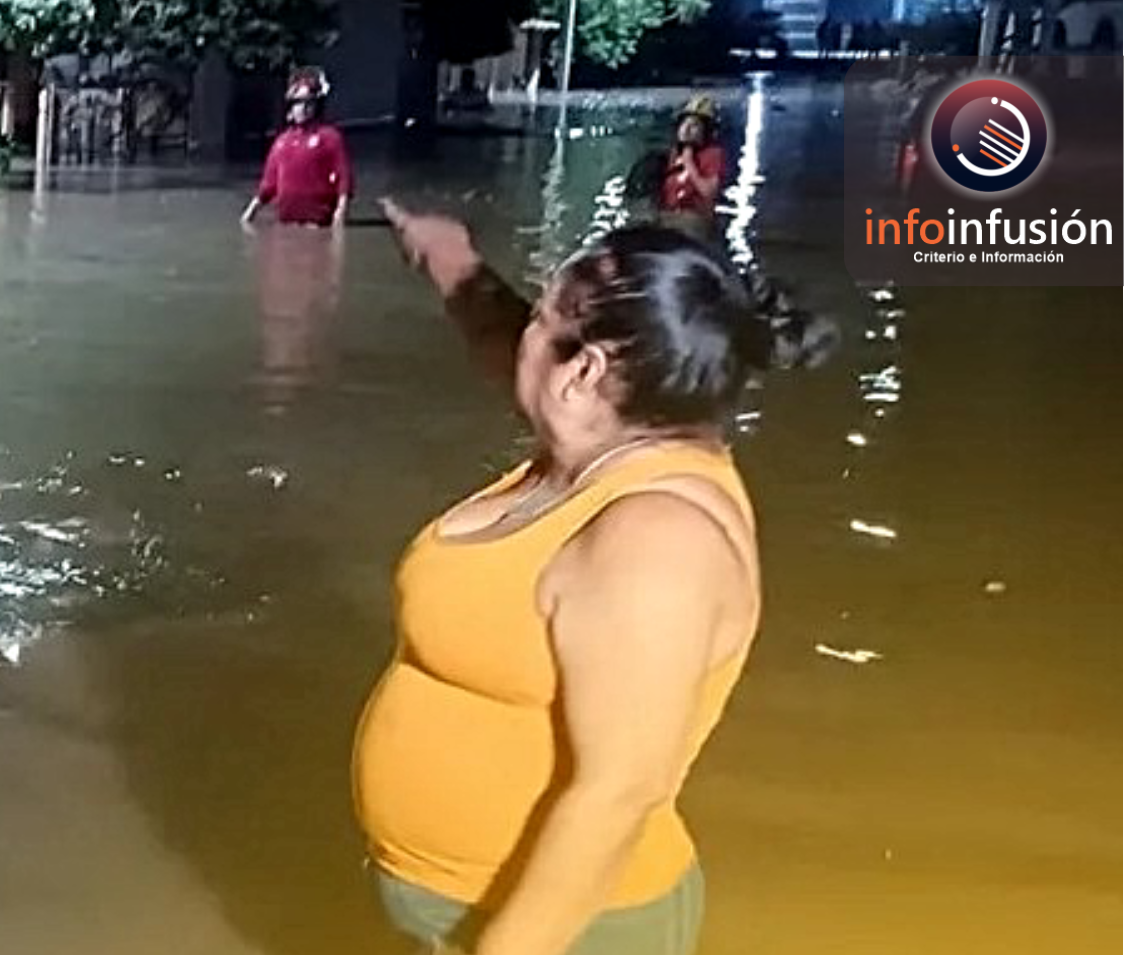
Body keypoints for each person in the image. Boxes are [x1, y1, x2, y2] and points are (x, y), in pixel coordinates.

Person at [357, 206, 835, 955]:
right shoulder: (601, 442)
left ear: (586, 374)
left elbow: (619, 797)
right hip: (451, 906)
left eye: (542, 319)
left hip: (565, 931)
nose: (524, 332)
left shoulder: (657, 540)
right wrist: (448, 259)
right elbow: (503, 340)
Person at [241, 67, 353, 229]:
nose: (303, 108)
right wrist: (250, 213)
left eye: (309, 103)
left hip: (317, 224)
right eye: (298, 103)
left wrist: (340, 213)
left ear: (316, 106)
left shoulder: (330, 137)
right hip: (286, 225)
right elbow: (268, 184)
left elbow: (344, 179)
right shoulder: (282, 141)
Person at [652, 96, 727, 236]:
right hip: (667, 219)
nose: (686, 129)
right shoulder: (670, 155)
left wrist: (690, 164)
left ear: (706, 131)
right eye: (684, 124)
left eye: (694, 125)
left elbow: (709, 193)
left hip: (693, 221)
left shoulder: (713, 155)